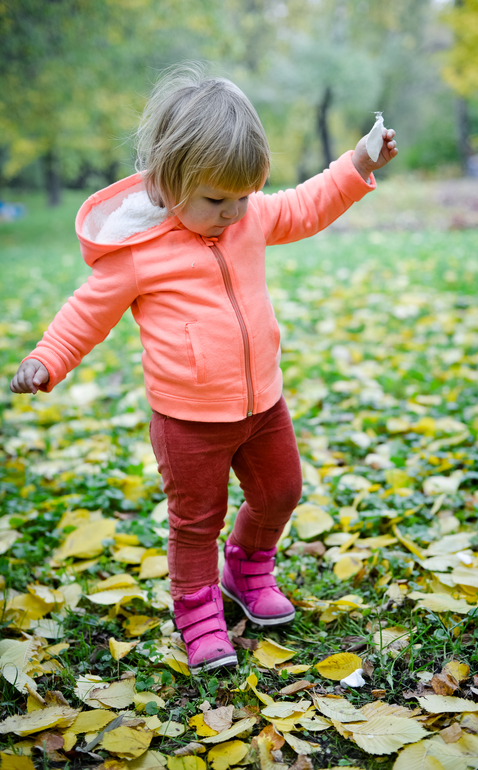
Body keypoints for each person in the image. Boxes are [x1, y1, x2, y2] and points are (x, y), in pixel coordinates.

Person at [10, 65, 397, 673]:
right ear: (169, 183)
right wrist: (46, 358)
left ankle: (247, 569)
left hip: (263, 404)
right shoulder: (137, 253)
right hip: (188, 420)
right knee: (196, 521)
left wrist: (357, 165)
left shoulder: (248, 217)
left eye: (244, 195)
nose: (233, 212)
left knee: (281, 491)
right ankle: (197, 610)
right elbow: (86, 312)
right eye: (217, 200)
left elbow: (304, 205)